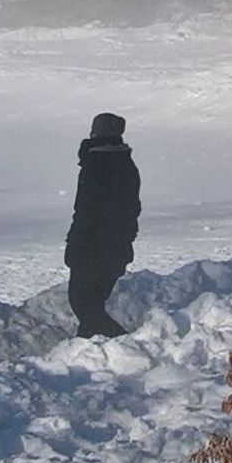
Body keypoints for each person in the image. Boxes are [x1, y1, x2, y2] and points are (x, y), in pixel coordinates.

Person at [65, 112, 140, 338]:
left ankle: (124, 342)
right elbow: (132, 208)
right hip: (116, 246)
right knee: (92, 303)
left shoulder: (96, 165)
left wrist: (75, 244)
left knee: (82, 301)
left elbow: (86, 212)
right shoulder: (126, 164)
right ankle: (86, 346)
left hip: (92, 247)